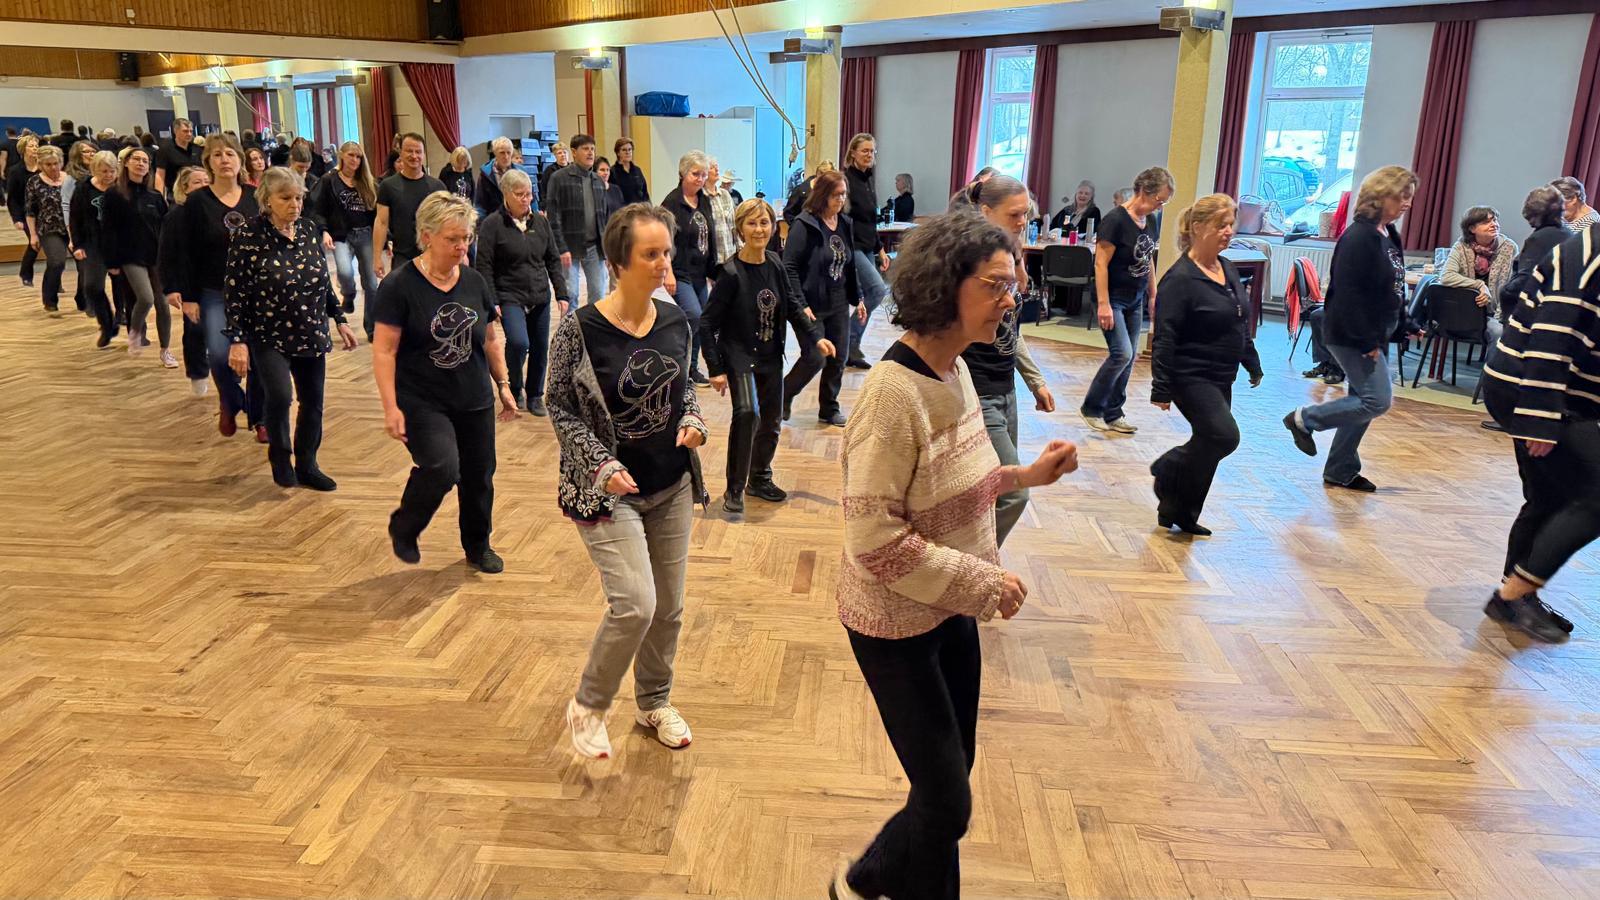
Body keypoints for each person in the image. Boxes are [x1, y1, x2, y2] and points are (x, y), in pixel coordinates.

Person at [830, 212, 1077, 900]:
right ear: (946, 285)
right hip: (893, 623)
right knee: (947, 803)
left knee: (947, 789)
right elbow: (873, 539)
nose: (1011, 300)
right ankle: (869, 881)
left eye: (1013, 284)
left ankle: (868, 881)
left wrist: (1024, 476)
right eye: (997, 285)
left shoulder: (956, 368)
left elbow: (957, 484)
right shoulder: (892, 396)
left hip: (947, 611)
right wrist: (984, 583)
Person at [546, 202, 710, 760]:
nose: (664, 264)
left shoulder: (675, 320)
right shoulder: (579, 329)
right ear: (617, 263)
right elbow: (558, 405)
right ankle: (589, 705)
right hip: (606, 492)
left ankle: (654, 701)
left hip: (672, 485)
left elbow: (684, 387)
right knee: (636, 604)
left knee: (668, 608)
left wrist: (693, 419)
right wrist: (599, 463)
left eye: (667, 252)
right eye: (650, 254)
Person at [373, 192, 516, 572]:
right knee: (441, 466)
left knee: (479, 475)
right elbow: (384, 351)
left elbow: (489, 339)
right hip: (422, 399)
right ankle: (406, 525)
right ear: (426, 236)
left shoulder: (474, 281)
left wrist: (503, 384)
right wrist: (390, 407)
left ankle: (478, 545)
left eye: (466, 238)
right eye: (452, 238)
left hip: (473, 396)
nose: (461, 246)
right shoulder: (399, 286)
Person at [1479, 223, 1597, 643]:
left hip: (1563, 395)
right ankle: (1513, 595)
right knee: (1591, 495)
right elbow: (1550, 340)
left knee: (1549, 496)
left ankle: (1515, 596)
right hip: (1527, 390)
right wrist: (1540, 419)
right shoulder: (1587, 254)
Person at [1283, 165, 1418, 492]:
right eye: (1402, 196)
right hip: (1353, 334)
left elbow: (1393, 287)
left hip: (1373, 333)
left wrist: (1406, 323)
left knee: (1362, 402)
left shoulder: (1389, 234)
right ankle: (1304, 419)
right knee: (1376, 401)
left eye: (1410, 197)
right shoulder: (1359, 237)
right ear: (1381, 195)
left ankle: (1340, 469)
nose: (1407, 203)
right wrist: (1366, 340)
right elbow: (1349, 294)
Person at [224, 167, 358, 489]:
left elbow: (322, 281)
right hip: (268, 333)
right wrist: (238, 340)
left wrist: (339, 319)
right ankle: (281, 458)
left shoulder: (309, 230)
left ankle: (308, 464)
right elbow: (235, 291)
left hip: (310, 329)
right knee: (281, 396)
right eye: (285, 198)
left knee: (313, 402)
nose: (294, 205)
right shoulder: (248, 236)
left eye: (298, 198)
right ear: (267, 200)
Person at [703, 198, 835, 513]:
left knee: (772, 420)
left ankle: (760, 478)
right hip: (739, 356)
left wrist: (815, 337)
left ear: (773, 227)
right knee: (748, 413)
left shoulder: (775, 264)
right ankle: (735, 488)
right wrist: (715, 368)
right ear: (740, 230)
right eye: (752, 223)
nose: (759, 229)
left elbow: (792, 305)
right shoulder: (730, 273)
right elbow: (707, 324)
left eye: (764, 223)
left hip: (770, 355)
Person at [1148, 194, 1263, 536]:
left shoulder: (1227, 268)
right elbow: (1165, 336)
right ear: (1198, 228)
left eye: (1231, 224)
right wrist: (1161, 387)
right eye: (1221, 225)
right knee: (1223, 436)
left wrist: (1251, 360)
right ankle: (1167, 467)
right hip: (1189, 375)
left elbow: (1239, 320)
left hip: (1221, 374)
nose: (1229, 231)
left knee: (1208, 444)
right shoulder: (1180, 278)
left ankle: (1179, 511)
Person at [962, 175, 1058, 545]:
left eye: (1026, 214)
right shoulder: (971, 262)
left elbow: (1010, 330)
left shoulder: (1012, 256)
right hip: (977, 392)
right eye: (1014, 215)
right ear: (986, 212)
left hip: (1006, 392)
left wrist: (1035, 381)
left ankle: (973, 565)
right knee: (1014, 493)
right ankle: (972, 564)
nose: (1023, 222)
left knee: (993, 490)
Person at [167, 133, 266, 439]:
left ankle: (261, 419)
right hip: (213, 290)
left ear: (240, 160)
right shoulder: (197, 202)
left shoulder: (256, 197)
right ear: (208, 162)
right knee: (221, 355)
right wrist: (187, 295)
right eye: (217, 155)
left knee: (260, 356)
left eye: (230, 154)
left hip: (257, 290)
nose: (224, 160)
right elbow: (184, 251)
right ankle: (232, 399)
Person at [1081, 166, 1174, 434]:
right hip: (1113, 298)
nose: (1160, 206)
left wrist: (1153, 295)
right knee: (1121, 353)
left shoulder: (1151, 221)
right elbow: (1100, 264)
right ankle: (1091, 408)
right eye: (1159, 200)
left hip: (1135, 298)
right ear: (1144, 191)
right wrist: (1103, 304)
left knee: (1130, 357)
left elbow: (1148, 259)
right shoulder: (1115, 220)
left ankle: (1113, 413)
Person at [475, 167, 571, 417]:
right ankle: (515, 387)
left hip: (539, 294)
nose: (526, 199)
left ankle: (535, 395)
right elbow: (484, 265)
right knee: (519, 343)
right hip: (509, 295)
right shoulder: (492, 225)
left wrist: (562, 293)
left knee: (540, 347)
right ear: (506, 194)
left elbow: (552, 259)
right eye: (519, 194)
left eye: (528, 194)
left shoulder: (541, 222)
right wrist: (492, 301)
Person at [780, 169, 864, 427]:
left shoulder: (844, 223)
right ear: (823, 195)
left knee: (839, 356)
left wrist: (859, 297)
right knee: (815, 356)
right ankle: (783, 395)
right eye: (836, 195)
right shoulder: (804, 224)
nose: (841, 199)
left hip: (838, 299)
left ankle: (829, 408)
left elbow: (850, 265)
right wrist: (801, 304)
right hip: (810, 302)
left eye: (844, 194)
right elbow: (789, 267)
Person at [101, 146, 175, 367]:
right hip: (130, 255)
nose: (141, 164)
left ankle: (165, 350)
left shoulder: (155, 196)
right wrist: (111, 261)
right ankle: (134, 332)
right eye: (137, 159)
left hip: (156, 255)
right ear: (126, 163)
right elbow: (108, 229)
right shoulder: (114, 194)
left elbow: (166, 226)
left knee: (163, 305)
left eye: (145, 161)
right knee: (146, 297)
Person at [661, 150, 719, 386]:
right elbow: (665, 241)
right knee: (693, 315)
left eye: (704, 174)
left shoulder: (704, 200)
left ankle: (692, 368)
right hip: (680, 272)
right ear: (683, 174)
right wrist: (668, 272)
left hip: (700, 273)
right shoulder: (672, 203)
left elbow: (710, 237)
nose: (700, 179)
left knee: (703, 320)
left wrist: (714, 272)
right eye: (695, 174)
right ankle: (680, 365)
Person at [311, 141, 381, 334]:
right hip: (341, 235)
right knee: (345, 272)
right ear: (342, 155)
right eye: (351, 155)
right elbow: (318, 209)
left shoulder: (368, 182)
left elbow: (378, 215)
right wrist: (324, 230)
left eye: (358, 156)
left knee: (372, 284)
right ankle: (348, 294)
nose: (355, 160)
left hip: (365, 234)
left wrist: (385, 240)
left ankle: (371, 327)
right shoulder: (329, 180)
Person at [159, 167, 213, 395]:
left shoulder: (218, 210)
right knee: (195, 330)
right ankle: (198, 374)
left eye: (207, 181)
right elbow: (167, 254)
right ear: (185, 188)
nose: (203, 185)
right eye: (197, 182)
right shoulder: (176, 216)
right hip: (191, 283)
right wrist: (171, 288)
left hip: (219, 280)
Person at [842, 134, 892, 371]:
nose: (869, 155)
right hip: (852, 247)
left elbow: (870, 221)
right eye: (864, 151)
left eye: (872, 151)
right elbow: (843, 218)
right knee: (877, 290)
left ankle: (851, 346)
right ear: (853, 152)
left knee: (872, 293)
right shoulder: (847, 181)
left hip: (867, 246)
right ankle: (848, 341)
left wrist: (880, 250)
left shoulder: (868, 181)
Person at [545, 134, 610, 306]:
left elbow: (604, 218)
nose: (590, 153)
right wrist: (561, 248)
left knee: (598, 294)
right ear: (574, 152)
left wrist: (607, 249)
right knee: (570, 294)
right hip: (569, 245)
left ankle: (593, 324)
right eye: (585, 149)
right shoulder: (558, 178)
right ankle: (570, 324)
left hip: (594, 246)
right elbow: (553, 216)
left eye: (592, 149)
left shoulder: (598, 181)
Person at [1438, 206, 1516, 346]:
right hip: (1464, 311)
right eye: (1486, 222)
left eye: (1495, 220)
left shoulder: (1509, 248)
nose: (1494, 224)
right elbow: (1446, 276)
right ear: (1472, 228)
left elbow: (1508, 288)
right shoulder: (1461, 245)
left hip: (1493, 314)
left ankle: (1492, 361)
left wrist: (1499, 319)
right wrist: (1479, 285)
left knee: (1499, 332)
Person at [373, 133, 446, 279]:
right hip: (402, 256)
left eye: (418, 152)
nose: (414, 156)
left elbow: (446, 222)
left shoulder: (437, 186)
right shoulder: (388, 186)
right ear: (401, 153)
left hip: (433, 254)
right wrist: (377, 257)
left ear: (423, 155)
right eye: (409, 151)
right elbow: (381, 222)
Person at [69, 150, 119, 345]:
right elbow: (75, 218)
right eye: (104, 171)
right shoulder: (83, 188)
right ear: (94, 170)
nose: (108, 175)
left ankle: (126, 322)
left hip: (119, 243)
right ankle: (106, 324)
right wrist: (77, 244)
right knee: (92, 286)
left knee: (123, 287)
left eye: (112, 171)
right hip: (93, 243)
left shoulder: (122, 188)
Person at [24, 145, 71, 316]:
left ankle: (84, 299)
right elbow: (30, 211)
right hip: (49, 229)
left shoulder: (70, 180)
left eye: (56, 163)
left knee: (84, 265)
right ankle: (50, 300)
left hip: (73, 228)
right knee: (57, 262)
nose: (53, 167)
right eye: (49, 164)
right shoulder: (34, 182)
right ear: (41, 165)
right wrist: (33, 235)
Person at [7, 135, 40, 288]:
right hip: (26, 213)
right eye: (31, 146)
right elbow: (12, 198)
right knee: (36, 241)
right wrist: (16, 219)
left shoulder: (43, 167)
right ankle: (26, 274)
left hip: (46, 212)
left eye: (36, 145)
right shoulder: (15, 171)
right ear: (23, 150)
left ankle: (55, 280)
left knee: (50, 245)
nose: (35, 148)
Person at [477, 138, 532, 218]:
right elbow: (480, 204)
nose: (506, 156)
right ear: (495, 153)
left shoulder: (521, 172)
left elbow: (531, 197)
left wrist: (534, 215)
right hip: (494, 219)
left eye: (508, 153)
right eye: (502, 153)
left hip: (518, 218)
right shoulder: (486, 174)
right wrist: (481, 223)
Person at [153, 118, 201, 197]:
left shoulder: (197, 149)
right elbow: (160, 175)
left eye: (191, 131)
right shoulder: (165, 150)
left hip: (197, 192)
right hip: (176, 193)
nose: (189, 134)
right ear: (176, 131)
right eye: (185, 131)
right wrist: (159, 197)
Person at [703, 159, 738, 266]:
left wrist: (740, 248)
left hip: (730, 255)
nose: (717, 170)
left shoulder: (725, 195)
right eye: (712, 167)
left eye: (717, 167)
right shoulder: (701, 198)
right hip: (712, 259)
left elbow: (734, 224)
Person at [611, 137, 648, 205]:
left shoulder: (637, 170)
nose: (627, 152)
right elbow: (612, 196)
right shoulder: (612, 172)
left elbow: (645, 193)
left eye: (630, 149)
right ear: (618, 153)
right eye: (624, 150)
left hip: (640, 208)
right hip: (622, 209)